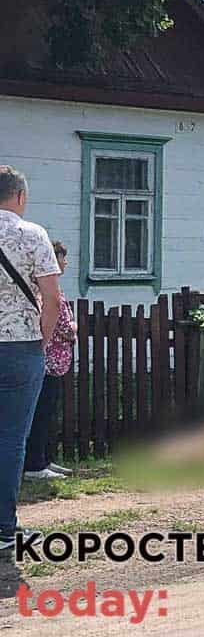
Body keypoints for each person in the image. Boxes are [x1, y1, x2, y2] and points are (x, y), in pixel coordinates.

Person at [0, 166, 62, 551]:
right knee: (9, 439)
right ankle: (4, 529)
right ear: (19, 196)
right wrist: (43, 340)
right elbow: (52, 299)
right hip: (20, 346)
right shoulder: (32, 234)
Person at [24, 240, 77, 480]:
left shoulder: (52, 289)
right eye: (62, 258)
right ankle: (35, 464)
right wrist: (73, 327)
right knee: (42, 411)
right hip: (48, 362)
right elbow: (63, 325)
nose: (65, 263)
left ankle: (44, 460)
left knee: (48, 411)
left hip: (53, 362)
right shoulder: (47, 292)